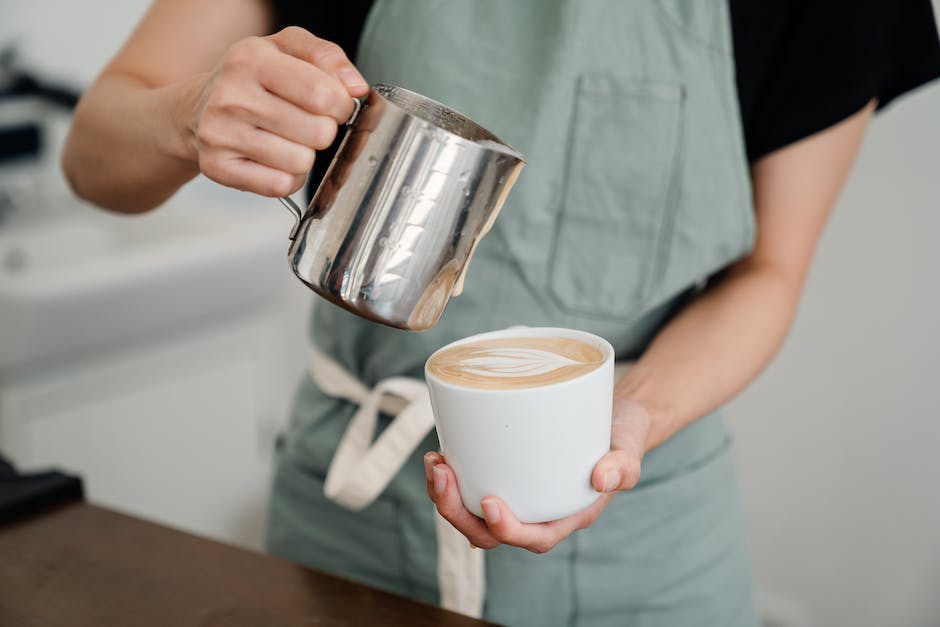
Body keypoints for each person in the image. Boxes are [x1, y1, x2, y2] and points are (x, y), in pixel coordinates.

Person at [62, 1, 940, 625]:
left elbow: (771, 272)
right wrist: (185, 115)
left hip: (646, 543)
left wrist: (627, 420)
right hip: (346, 528)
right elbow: (93, 151)